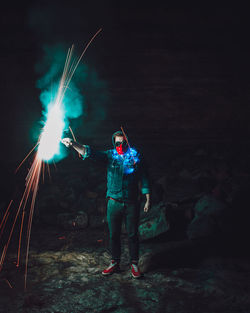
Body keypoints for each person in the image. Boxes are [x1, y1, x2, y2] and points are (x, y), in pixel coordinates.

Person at [61, 130, 151, 278]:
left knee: (133, 234)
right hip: (114, 202)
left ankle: (134, 263)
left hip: (131, 202)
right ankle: (115, 262)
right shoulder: (110, 156)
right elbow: (90, 153)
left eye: (123, 143)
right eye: (117, 143)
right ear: (113, 143)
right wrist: (73, 143)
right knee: (113, 234)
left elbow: (145, 177)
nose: (120, 145)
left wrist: (148, 198)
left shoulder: (136, 157)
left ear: (127, 142)